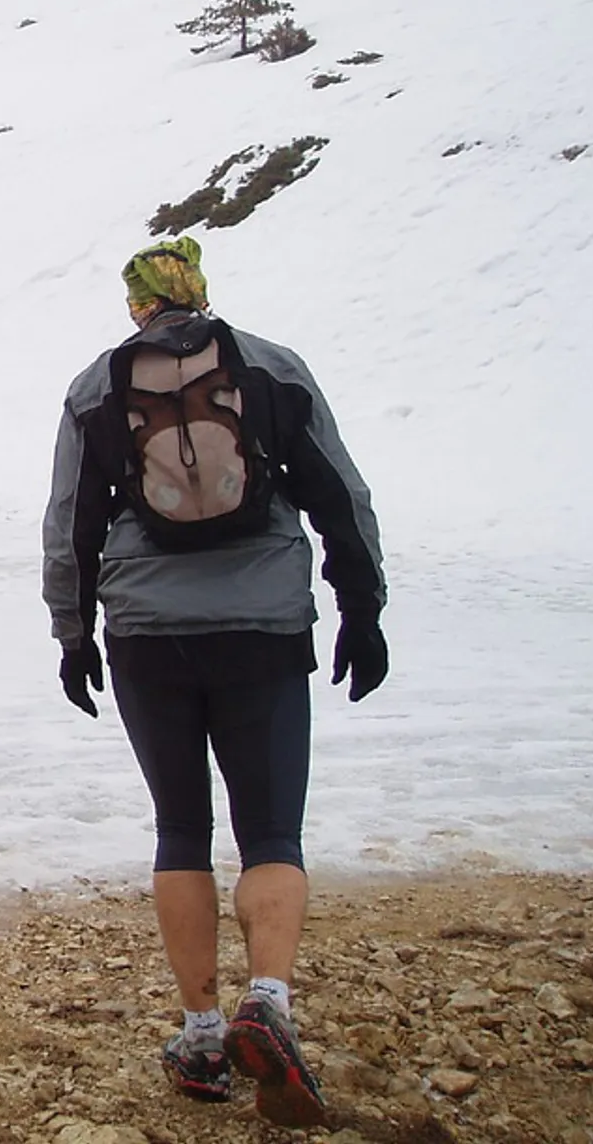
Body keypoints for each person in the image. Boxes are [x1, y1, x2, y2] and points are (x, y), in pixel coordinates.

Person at [40, 236, 387, 1128]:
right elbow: (338, 495)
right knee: (271, 830)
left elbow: (71, 523)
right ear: (200, 288)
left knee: (181, 830)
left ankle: (200, 1036)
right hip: (263, 627)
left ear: (136, 306)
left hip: (149, 636)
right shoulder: (270, 369)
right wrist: (361, 607)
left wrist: (75, 636)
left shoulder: (97, 388)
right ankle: (266, 1001)